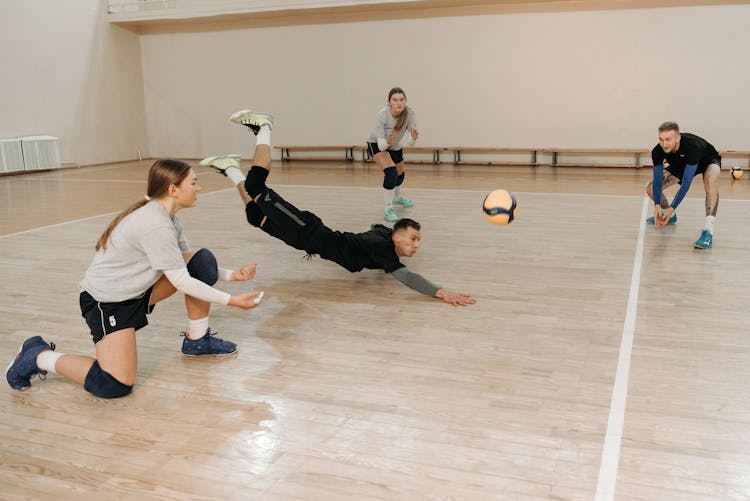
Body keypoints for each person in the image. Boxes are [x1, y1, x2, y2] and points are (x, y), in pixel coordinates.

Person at [6, 159, 262, 398]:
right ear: (173, 189)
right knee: (114, 385)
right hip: (107, 302)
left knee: (200, 262)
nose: (199, 188)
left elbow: (185, 263)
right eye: (193, 183)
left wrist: (232, 275)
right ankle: (38, 356)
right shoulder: (155, 224)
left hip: (137, 292)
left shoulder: (169, 218)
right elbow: (182, 282)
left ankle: (198, 340)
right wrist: (233, 301)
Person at [201, 109, 474, 307]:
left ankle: (231, 169)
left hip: (303, 241)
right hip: (308, 231)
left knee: (254, 216)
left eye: (418, 241)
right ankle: (264, 129)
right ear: (397, 235)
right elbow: (409, 278)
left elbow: (376, 229)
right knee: (256, 187)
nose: (416, 246)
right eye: (413, 239)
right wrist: (440, 292)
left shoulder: (382, 236)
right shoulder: (384, 250)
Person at [646, 122, 721, 249]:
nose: (664, 144)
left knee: (711, 180)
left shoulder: (692, 146)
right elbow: (658, 181)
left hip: (707, 160)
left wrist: (672, 208)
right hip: (683, 164)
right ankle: (668, 216)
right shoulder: (657, 151)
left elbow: (686, 184)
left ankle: (708, 230)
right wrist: (658, 206)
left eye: (668, 139)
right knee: (650, 188)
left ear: (678, 138)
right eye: (661, 139)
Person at [367, 87, 419, 222]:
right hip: (378, 145)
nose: (399, 103)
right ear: (389, 102)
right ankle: (388, 208)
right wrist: (387, 142)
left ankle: (397, 197)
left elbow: (411, 143)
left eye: (401, 100)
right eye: (395, 100)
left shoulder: (410, 114)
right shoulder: (381, 115)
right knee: (391, 172)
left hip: (395, 146)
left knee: (400, 175)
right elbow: (381, 146)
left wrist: (413, 138)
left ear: (405, 101)